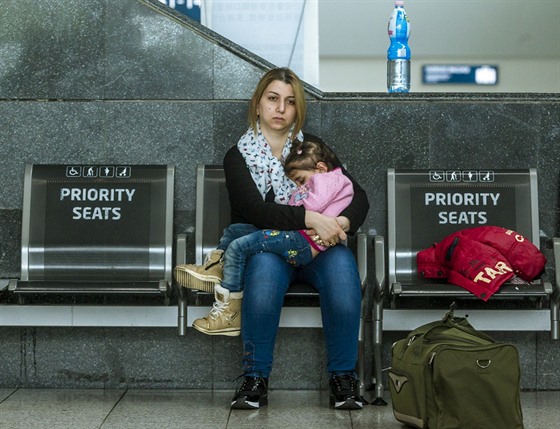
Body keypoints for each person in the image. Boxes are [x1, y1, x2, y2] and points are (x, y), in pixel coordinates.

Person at [182, 67, 369, 410]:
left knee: (345, 279)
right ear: (257, 105)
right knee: (263, 283)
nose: (280, 109)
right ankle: (255, 380)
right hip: (266, 245)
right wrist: (312, 217)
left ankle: (343, 380)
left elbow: (358, 196)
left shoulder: (312, 149)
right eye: (272, 99)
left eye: (290, 102)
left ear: (298, 109)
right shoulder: (237, 156)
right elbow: (255, 210)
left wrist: (338, 222)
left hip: (320, 247)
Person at [175, 139, 354, 337]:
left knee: (239, 247)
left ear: (320, 168)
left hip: (303, 242)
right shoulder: (241, 154)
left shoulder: (328, 179)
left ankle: (231, 311)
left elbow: (311, 207)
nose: (299, 186)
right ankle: (217, 265)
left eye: (301, 180)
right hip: (298, 234)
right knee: (237, 230)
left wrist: (291, 208)